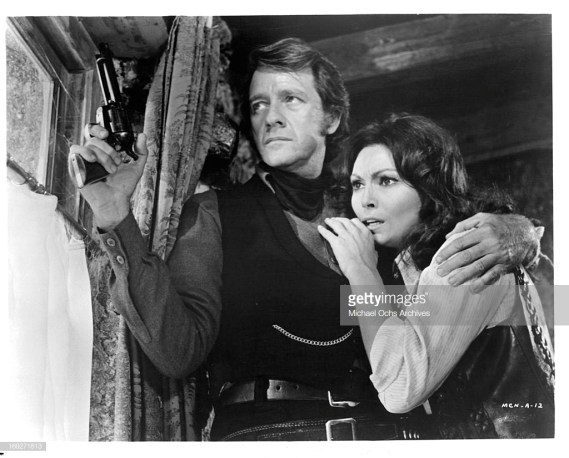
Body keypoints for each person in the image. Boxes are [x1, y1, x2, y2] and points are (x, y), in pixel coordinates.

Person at [69, 38, 544, 440]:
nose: (270, 118)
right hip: (266, 435)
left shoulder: (378, 218)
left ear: (331, 117)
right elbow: (177, 352)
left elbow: (462, 304)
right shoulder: (216, 214)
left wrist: (521, 234)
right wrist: (115, 217)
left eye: (290, 99)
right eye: (259, 104)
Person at [318, 113, 554, 438]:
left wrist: (362, 271)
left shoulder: (465, 252)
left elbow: (398, 393)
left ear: (429, 187)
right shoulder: (408, 266)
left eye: (386, 181)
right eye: (357, 184)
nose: (365, 200)